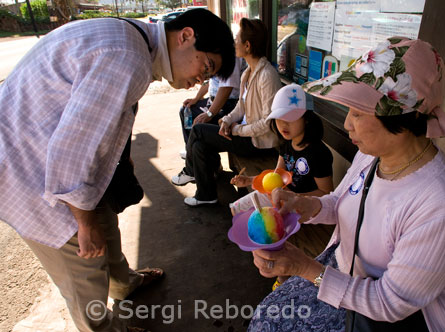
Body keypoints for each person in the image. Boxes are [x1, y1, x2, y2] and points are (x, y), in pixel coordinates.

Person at [0, 9, 234, 332]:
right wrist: (83, 222)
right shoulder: (130, 58)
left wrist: (120, 155)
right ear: (186, 36)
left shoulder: (135, 40)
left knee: (105, 225)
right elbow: (71, 149)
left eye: (209, 77)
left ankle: (123, 284)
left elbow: (97, 115)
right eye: (205, 66)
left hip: (44, 155)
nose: (201, 81)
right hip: (31, 171)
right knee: (85, 270)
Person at [247, 37, 445, 332]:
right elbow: (342, 200)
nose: (347, 125)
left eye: (357, 112)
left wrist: (303, 267)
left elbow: (389, 303)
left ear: (401, 117)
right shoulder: (373, 156)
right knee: (267, 314)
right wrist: (305, 205)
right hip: (342, 269)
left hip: (380, 314)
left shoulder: (442, 207)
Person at [172, 18, 282, 206]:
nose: (233, 43)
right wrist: (227, 120)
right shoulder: (249, 71)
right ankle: (206, 195)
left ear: (247, 46)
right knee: (200, 146)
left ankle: (190, 170)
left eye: (237, 39)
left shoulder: (267, 75)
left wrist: (236, 129)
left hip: (256, 143)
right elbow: (241, 105)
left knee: (199, 130)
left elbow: (268, 122)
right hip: (244, 134)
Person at [229, 83, 333, 214]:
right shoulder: (286, 143)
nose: (283, 124)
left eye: (290, 118)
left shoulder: (319, 153)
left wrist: (295, 198)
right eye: (278, 118)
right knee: (236, 209)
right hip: (280, 196)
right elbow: (277, 175)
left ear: (306, 118)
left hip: (305, 208)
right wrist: (250, 180)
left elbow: (326, 193)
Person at [178, 57, 246, 157]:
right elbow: (210, 81)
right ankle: (190, 149)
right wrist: (196, 98)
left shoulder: (231, 55)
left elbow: (226, 88)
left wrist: (209, 113)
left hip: (229, 104)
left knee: (199, 124)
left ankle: (203, 159)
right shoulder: (214, 55)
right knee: (186, 110)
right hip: (213, 100)